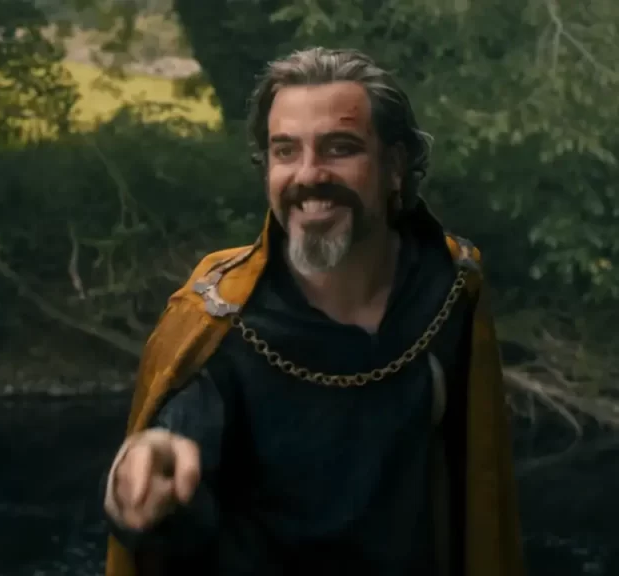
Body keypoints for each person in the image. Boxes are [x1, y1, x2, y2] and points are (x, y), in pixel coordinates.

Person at [101, 47, 524, 576]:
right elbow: (178, 490)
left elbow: (475, 489)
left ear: (395, 166)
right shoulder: (219, 316)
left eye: (339, 149)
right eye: (285, 151)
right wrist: (147, 481)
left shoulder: (449, 288)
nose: (308, 175)